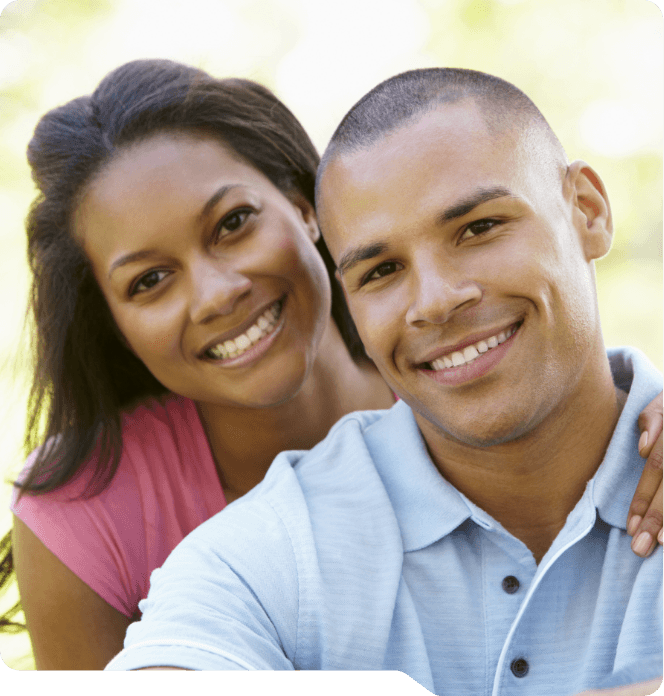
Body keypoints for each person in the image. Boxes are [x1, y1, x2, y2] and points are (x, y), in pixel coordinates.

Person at [1, 59, 661, 673]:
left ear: (303, 209)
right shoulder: (233, 557)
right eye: (383, 270)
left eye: (233, 222)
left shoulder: (517, 385)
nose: (218, 293)